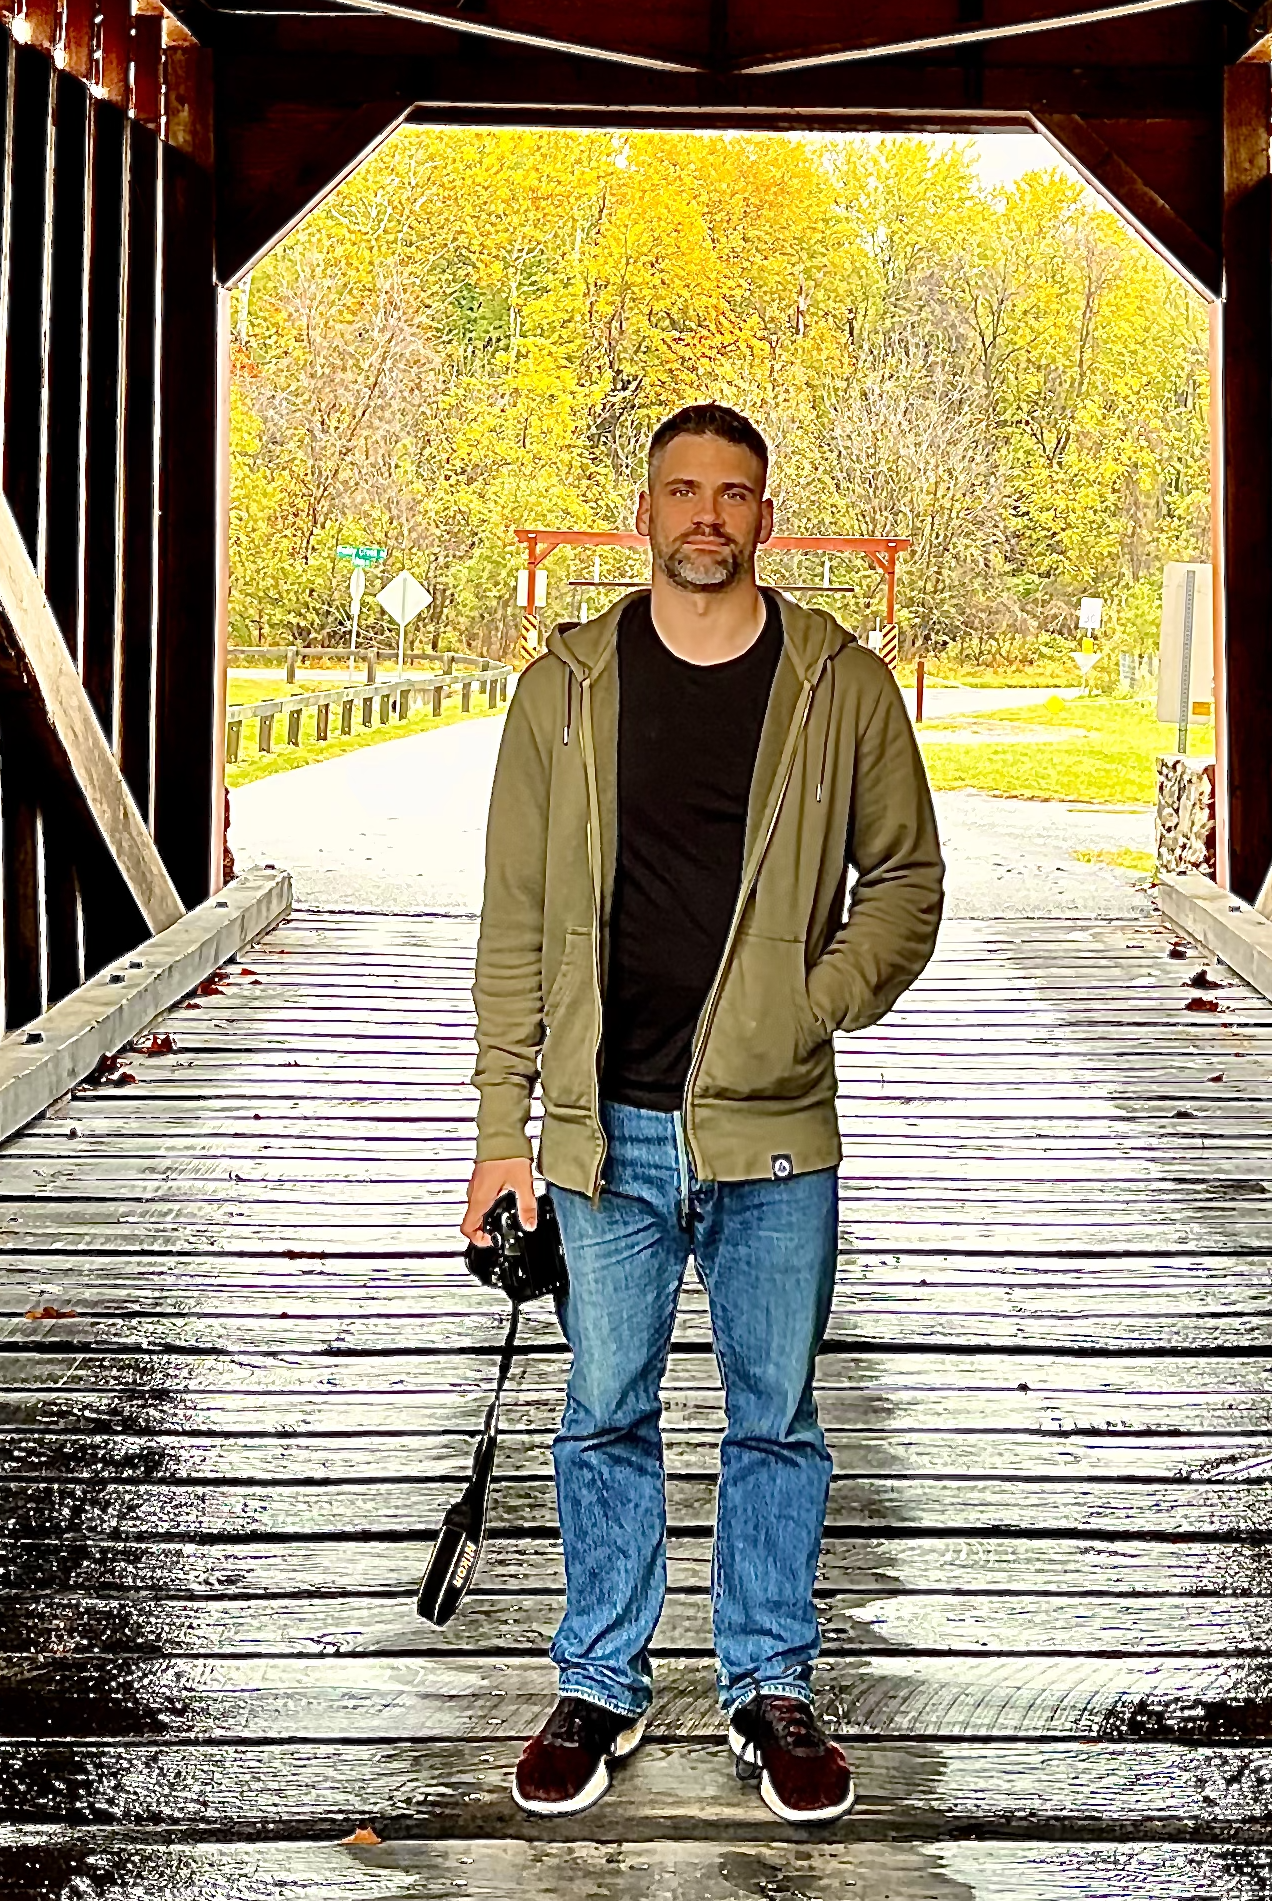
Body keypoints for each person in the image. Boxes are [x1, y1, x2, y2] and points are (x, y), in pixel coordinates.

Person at [464, 403, 944, 1825]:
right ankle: (601, 1680)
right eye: (684, 490)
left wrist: (817, 1000)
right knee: (602, 1411)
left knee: (775, 1417)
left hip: (775, 1125)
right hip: (602, 1129)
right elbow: (512, 925)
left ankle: (768, 1683)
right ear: (645, 512)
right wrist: (505, 1130)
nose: (707, 517)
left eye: (735, 495)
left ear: (765, 521)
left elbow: (907, 880)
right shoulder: (562, 693)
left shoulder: (838, 686)